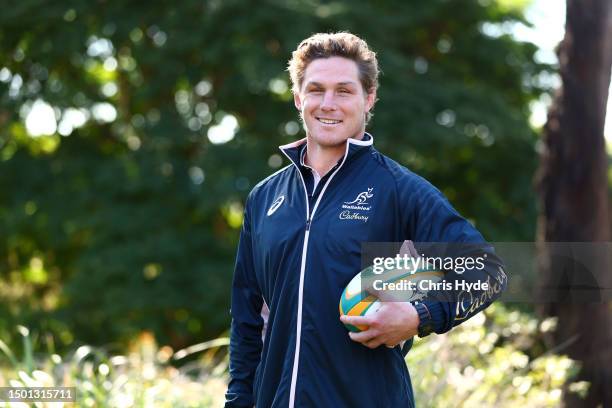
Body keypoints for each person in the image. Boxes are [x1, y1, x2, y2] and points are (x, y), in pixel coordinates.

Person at [224, 32, 507, 408]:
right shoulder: (264, 198)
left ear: (368, 98)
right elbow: (246, 322)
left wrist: (418, 315)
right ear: (298, 98)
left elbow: (488, 271)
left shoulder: (399, 190)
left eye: (344, 91)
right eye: (316, 90)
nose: (328, 103)